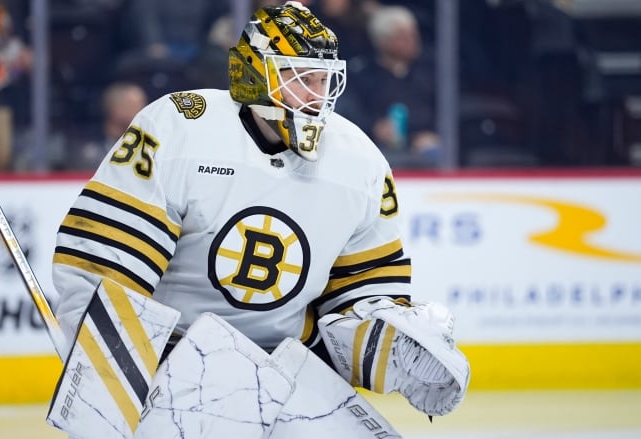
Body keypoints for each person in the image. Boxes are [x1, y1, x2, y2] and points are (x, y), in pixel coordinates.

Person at [52, 0, 468, 426]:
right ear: (253, 75)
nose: (316, 96)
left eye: (323, 80)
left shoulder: (360, 162)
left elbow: (359, 293)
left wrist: (389, 344)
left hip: (291, 367)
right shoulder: (180, 127)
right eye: (299, 78)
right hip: (174, 364)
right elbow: (108, 264)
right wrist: (105, 369)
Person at [345, 5, 440, 167]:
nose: (413, 40)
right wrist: (374, 127)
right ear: (383, 41)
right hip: (375, 149)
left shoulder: (431, 71)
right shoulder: (362, 75)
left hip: (427, 147)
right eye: (403, 36)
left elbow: (445, 110)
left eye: (413, 33)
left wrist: (433, 134)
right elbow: (350, 113)